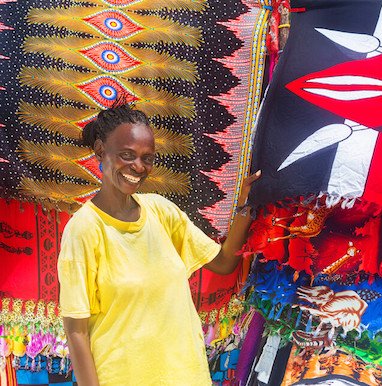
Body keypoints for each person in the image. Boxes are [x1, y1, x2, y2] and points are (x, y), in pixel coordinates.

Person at [57, 103, 260, 385]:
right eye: (127, 155)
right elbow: (76, 331)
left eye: (147, 158)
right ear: (101, 150)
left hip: (188, 376)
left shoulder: (162, 212)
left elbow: (224, 263)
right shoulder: (84, 230)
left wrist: (245, 207)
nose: (138, 167)